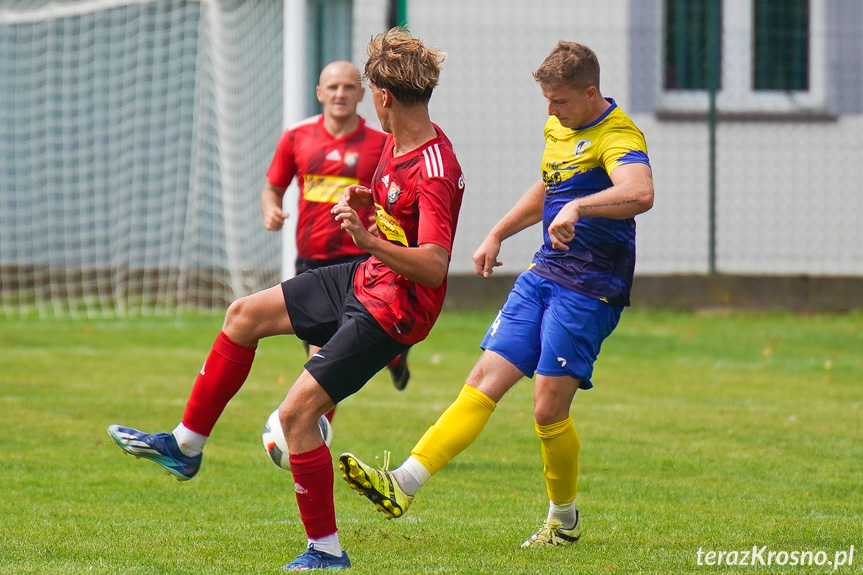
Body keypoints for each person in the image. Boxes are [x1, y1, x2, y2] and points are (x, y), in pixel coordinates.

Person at [107, 27, 464, 571]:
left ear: (383, 96)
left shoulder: (436, 168)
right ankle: (186, 445)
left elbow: (436, 265)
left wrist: (367, 238)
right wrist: (367, 203)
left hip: (395, 309)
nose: (367, 101)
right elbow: (395, 209)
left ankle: (326, 552)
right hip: (365, 276)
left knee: (298, 416)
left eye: (366, 91)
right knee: (242, 315)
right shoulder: (394, 140)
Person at [340, 40, 654, 549]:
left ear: (591, 93)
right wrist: (498, 233)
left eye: (560, 102)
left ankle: (563, 519)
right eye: (547, 101)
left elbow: (640, 191)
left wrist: (581, 210)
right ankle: (402, 483)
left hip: (591, 285)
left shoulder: (618, 135)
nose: (550, 112)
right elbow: (550, 186)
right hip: (546, 271)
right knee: (483, 378)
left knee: (547, 408)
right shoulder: (560, 124)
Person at [261, 60, 410, 393]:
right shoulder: (296, 137)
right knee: (324, 358)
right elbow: (273, 188)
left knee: (324, 361)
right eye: (332, 87)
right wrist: (271, 209)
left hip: (361, 264)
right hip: (311, 264)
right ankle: (393, 354)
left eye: (348, 86)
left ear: (361, 93)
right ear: (319, 93)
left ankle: (308, 432)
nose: (340, 93)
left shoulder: (382, 143)